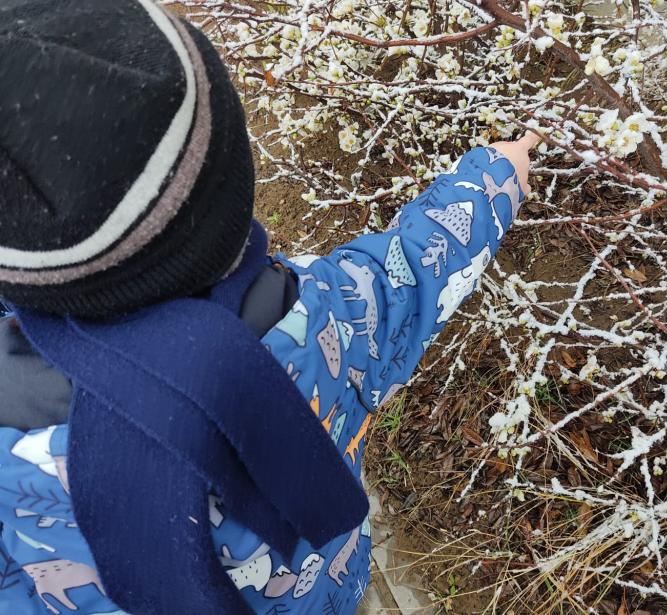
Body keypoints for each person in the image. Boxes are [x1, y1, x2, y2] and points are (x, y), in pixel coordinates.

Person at [0, 0, 538, 613]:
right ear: (233, 188)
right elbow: (419, 265)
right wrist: (496, 176)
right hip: (323, 591)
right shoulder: (325, 311)